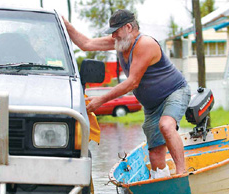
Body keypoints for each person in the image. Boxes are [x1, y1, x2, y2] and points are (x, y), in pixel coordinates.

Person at [63, 9, 191, 178]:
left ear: (129, 27)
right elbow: (86, 44)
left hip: (174, 92)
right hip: (152, 106)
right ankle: (162, 186)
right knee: (155, 155)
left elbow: (132, 82)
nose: (113, 36)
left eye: (116, 31)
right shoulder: (120, 42)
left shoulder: (145, 44)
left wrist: (101, 100)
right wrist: (67, 25)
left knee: (166, 126)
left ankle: (182, 174)